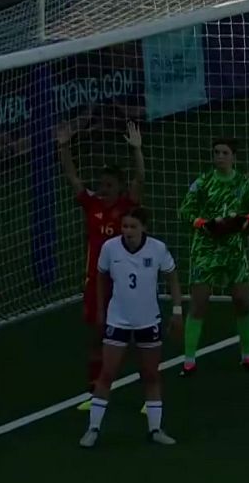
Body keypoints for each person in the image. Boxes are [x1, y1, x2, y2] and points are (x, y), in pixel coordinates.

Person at [79, 207, 183, 447]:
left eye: (133, 227)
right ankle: (93, 429)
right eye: (124, 226)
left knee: (151, 375)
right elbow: (101, 277)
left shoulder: (158, 249)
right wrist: (102, 311)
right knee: (107, 374)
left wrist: (177, 311)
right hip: (118, 321)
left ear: (144, 228)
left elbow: (172, 277)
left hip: (148, 321)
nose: (127, 231)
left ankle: (155, 429)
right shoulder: (110, 248)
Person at [59, 119, 144, 409]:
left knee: (130, 331)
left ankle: (141, 375)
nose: (103, 188)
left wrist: (137, 150)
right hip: (96, 281)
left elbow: (140, 178)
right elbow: (72, 177)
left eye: (109, 185)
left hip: (123, 280)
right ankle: (95, 388)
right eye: (101, 184)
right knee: (97, 331)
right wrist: (63, 147)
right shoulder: (92, 204)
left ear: (119, 187)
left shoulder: (126, 206)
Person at [178, 137, 249, 375]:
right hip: (206, 250)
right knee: (199, 303)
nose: (220, 157)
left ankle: (247, 355)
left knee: (242, 301)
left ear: (234, 157)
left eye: (224, 153)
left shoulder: (244, 183)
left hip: (234, 250)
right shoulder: (203, 182)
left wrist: (245, 222)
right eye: (216, 152)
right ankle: (189, 360)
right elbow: (185, 211)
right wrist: (204, 224)